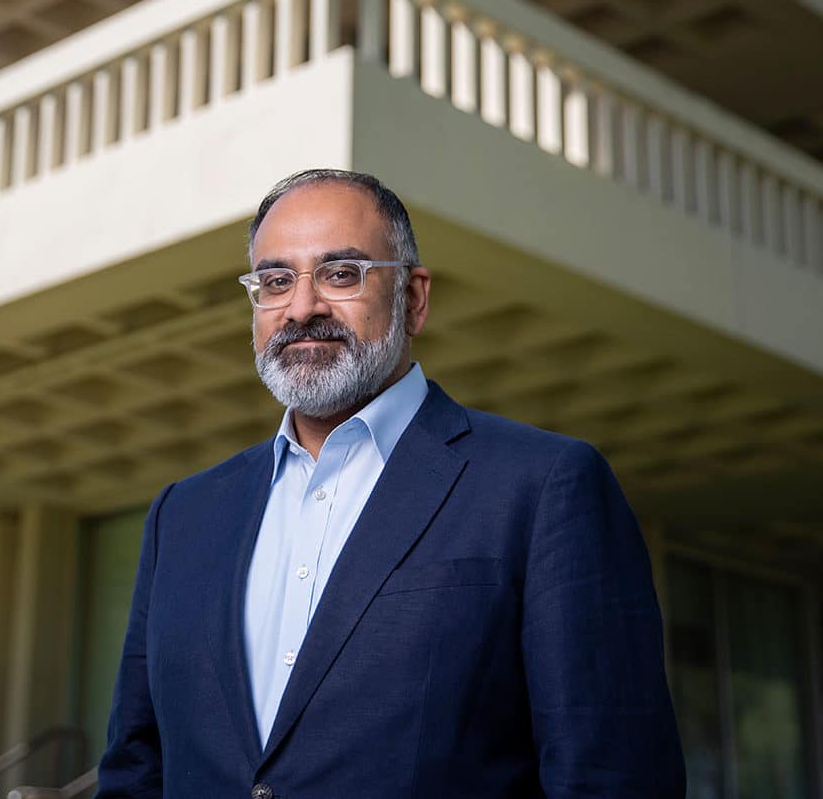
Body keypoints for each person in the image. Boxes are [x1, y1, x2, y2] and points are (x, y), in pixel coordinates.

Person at [95, 169, 685, 798]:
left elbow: (610, 776)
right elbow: (137, 768)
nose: (302, 308)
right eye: (275, 281)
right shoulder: (183, 514)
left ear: (413, 299)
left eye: (341, 273)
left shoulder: (543, 486)